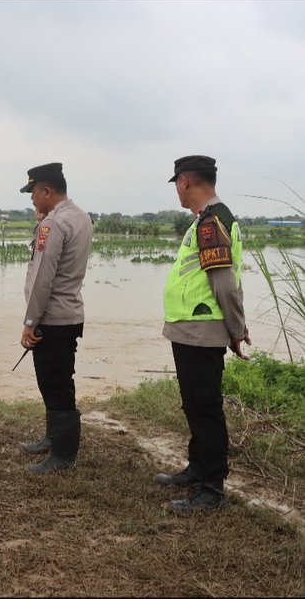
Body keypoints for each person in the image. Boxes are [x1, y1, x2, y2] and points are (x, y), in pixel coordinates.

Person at [160, 155, 250, 513]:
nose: (178, 193)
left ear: (185, 182)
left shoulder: (212, 221)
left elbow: (225, 284)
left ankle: (212, 488)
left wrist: (235, 330)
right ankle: (197, 468)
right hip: (189, 330)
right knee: (195, 405)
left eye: (177, 185)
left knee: (206, 408)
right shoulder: (206, 220)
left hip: (202, 330)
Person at [17, 162, 93, 474]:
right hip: (70, 312)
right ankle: (53, 437)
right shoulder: (81, 217)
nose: (31, 199)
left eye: (33, 192)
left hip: (53, 318)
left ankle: (62, 455)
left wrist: (30, 321)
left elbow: (42, 278)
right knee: (55, 381)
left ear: (47, 190)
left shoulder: (54, 224)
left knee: (56, 383)